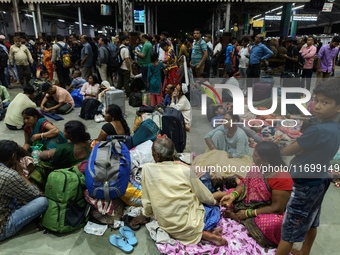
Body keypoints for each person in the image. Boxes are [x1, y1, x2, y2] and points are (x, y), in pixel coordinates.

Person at [275, 80, 340, 255]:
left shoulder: (317, 130)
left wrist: (283, 146)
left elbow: (289, 150)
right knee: (312, 219)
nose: (317, 106)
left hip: (304, 183)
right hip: (320, 179)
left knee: (288, 230)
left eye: (325, 102)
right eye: (317, 101)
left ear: (338, 107)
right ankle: (305, 252)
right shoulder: (335, 128)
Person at [130, 138, 228, 246]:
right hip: (192, 224)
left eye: (153, 153)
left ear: (157, 156)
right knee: (213, 209)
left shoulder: (147, 169)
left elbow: (147, 201)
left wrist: (146, 215)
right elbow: (205, 196)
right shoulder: (185, 170)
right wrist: (215, 203)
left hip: (168, 225)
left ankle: (205, 234)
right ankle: (204, 233)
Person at [216, 141, 293, 247]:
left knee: (274, 224)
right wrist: (233, 196)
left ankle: (239, 218)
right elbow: (244, 184)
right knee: (229, 194)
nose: (252, 156)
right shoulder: (257, 167)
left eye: (256, 155)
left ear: (265, 161)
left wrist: (248, 213)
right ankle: (243, 218)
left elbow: (277, 208)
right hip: (249, 202)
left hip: (268, 210)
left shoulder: (282, 178)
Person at [0, 140, 48, 241]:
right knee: (42, 202)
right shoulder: (10, 175)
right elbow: (36, 195)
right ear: (13, 156)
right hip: (2, 227)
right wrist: (21, 174)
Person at [29, 120, 92, 190]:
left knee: (41, 165)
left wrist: (39, 152)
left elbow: (42, 155)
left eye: (64, 131)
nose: (63, 131)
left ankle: (39, 188)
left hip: (68, 173)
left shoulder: (66, 148)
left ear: (69, 135)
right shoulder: (86, 143)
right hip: (81, 168)